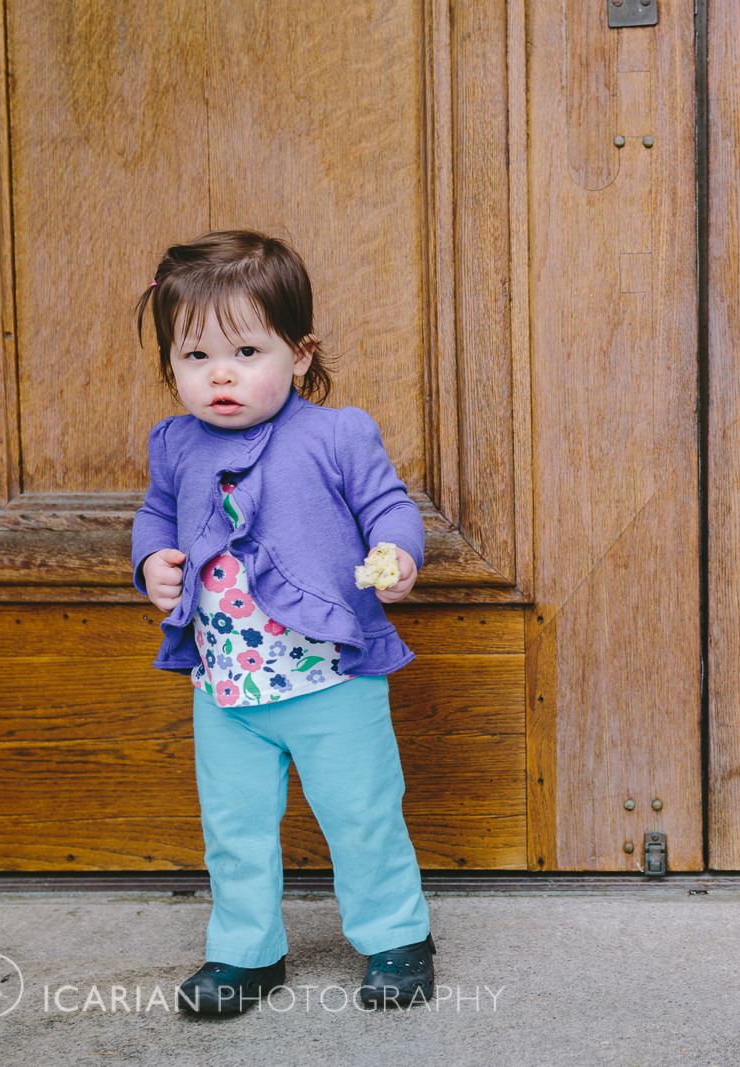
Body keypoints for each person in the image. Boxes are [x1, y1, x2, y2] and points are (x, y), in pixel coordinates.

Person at [131, 229, 435, 1013]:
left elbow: (388, 505)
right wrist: (152, 563)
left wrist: (397, 551)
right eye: (193, 356)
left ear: (300, 354)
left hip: (329, 674)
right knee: (234, 825)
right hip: (226, 683)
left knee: (361, 811)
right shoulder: (174, 443)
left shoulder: (337, 433)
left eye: (245, 352)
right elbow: (158, 515)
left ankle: (396, 935)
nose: (219, 374)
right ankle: (245, 951)